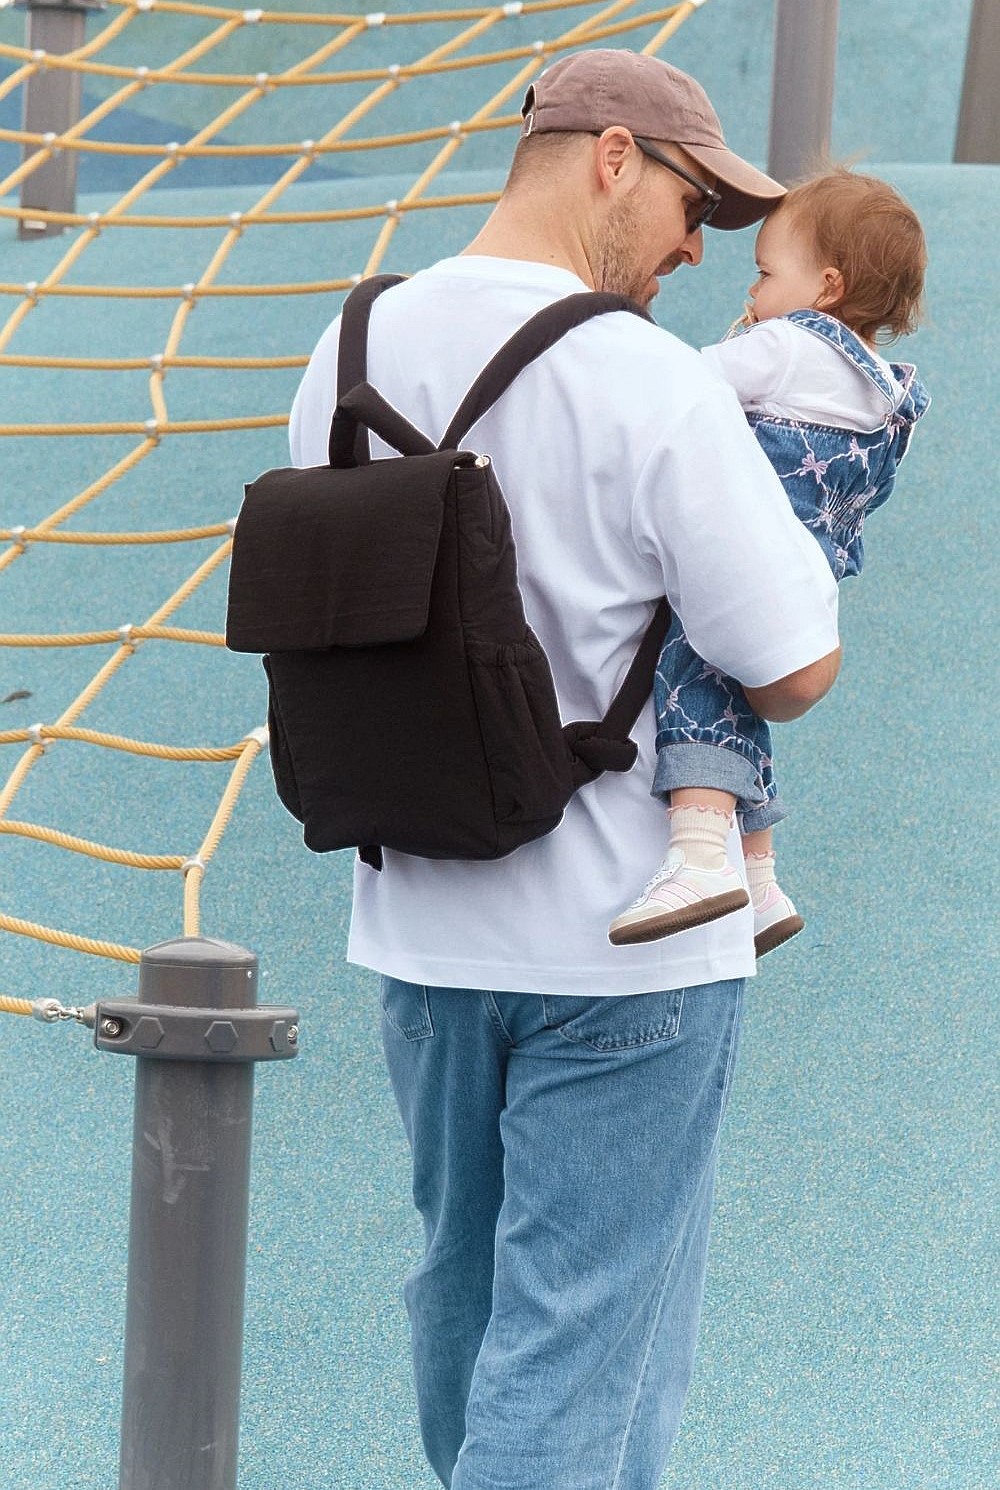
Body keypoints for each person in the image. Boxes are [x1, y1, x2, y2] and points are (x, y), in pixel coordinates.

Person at [289, 48, 841, 1490]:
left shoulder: (347, 349)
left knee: (467, 1319)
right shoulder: (644, 376)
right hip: (626, 947)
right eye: (688, 207)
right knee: (580, 1359)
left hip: (420, 932)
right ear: (611, 156)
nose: (691, 248)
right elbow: (790, 661)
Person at [609, 168, 930, 956]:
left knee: (693, 673)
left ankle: (698, 853)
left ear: (825, 287)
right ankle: (759, 878)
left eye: (763, 271)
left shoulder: (784, 347)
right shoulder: (886, 393)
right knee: (741, 696)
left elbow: (679, 388)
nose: (752, 287)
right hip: (810, 575)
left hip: (748, 551)